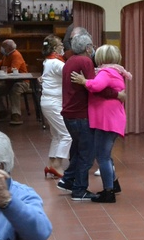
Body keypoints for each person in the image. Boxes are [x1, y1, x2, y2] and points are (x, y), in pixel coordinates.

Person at [71, 44, 130, 203]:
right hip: (112, 118)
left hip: (106, 121)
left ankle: (108, 192)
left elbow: (96, 86)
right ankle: (113, 184)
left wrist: (84, 81)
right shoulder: (116, 71)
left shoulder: (106, 72)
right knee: (106, 155)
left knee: (102, 157)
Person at [58, 28, 98, 201]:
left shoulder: (70, 60)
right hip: (81, 114)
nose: (93, 49)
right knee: (86, 154)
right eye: (92, 46)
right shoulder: (85, 61)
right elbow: (92, 86)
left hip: (69, 113)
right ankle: (80, 189)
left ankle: (68, 180)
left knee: (78, 150)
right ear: (87, 47)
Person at [39, 35, 71, 179]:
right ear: (54, 48)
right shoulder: (57, 63)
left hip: (48, 102)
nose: (63, 48)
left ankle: (51, 163)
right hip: (54, 102)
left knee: (57, 135)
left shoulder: (48, 61)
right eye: (60, 45)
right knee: (66, 135)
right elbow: (70, 75)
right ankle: (58, 165)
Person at [0, 39, 30, 125]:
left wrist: (1, 71)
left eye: (3, 46)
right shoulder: (6, 55)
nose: (1, 48)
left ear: (8, 48)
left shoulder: (16, 55)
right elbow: (1, 63)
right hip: (9, 82)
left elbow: (13, 68)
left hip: (22, 81)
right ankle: (2, 111)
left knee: (15, 90)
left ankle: (16, 115)